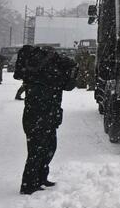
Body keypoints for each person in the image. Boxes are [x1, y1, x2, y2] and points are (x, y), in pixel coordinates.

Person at [13, 45, 77, 195]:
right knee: (37, 150)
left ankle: (41, 178)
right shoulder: (47, 74)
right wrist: (71, 71)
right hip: (39, 117)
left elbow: (67, 85)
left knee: (48, 148)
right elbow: (69, 85)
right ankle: (29, 184)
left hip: (44, 116)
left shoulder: (43, 73)